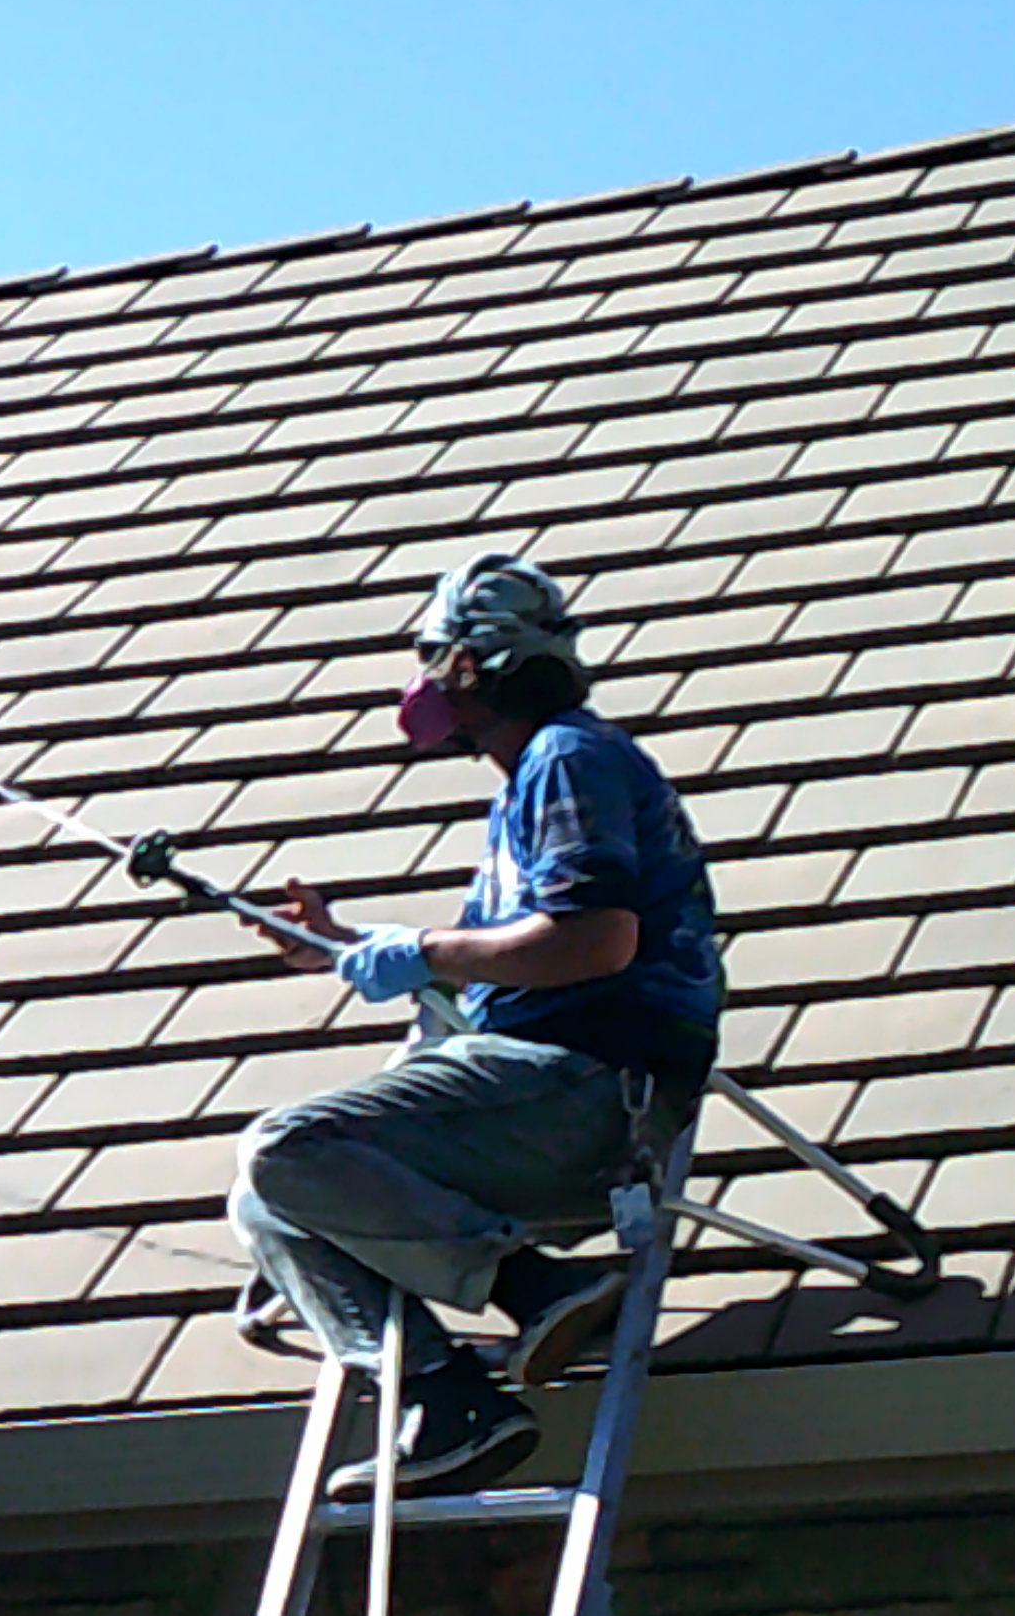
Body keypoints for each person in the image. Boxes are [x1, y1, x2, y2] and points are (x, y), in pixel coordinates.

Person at [231, 552, 723, 1499]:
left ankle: (536, 1288)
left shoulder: (567, 759)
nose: (420, 685)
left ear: (469, 665)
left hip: (586, 1093)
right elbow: (503, 960)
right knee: (264, 1200)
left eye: (430, 659)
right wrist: (344, 945)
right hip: (540, 1103)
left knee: (285, 1148)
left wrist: (418, 951)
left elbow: (594, 941)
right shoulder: (534, 780)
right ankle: (448, 1401)